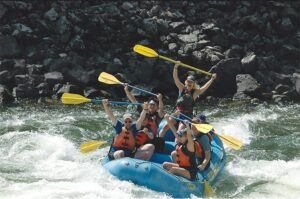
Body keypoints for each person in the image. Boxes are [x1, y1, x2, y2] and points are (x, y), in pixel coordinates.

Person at [159, 61, 217, 138]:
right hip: (177, 113)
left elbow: (204, 87)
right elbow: (175, 78)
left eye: (191, 82)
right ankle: (158, 141)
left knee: (180, 131)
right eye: (188, 82)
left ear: (193, 85)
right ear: (185, 82)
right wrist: (176, 67)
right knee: (165, 127)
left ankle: (178, 144)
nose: (189, 83)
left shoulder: (195, 92)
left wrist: (212, 79)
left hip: (186, 116)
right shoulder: (181, 88)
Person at [124, 84, 165, 152]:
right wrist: (126, 90)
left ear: (156, 107)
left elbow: (161, 109)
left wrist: (160, 99)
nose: (151, 106)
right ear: (148, 105)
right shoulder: (143, 110)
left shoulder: (158, 115)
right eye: (150, 104)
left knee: (160, 141)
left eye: (153, 105)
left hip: (150, 138)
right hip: (139, 135)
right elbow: (133, 100)